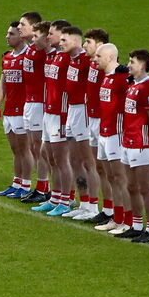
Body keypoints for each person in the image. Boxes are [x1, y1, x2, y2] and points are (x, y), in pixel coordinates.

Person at [34, 20, 75, 215]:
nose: (48, 37)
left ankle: (66, 201)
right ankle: (55, 197)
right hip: (49, 114)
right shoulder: (53, 57)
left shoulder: (68, 58)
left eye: (51, 33)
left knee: (61, 159)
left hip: (61, 115)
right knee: (48, 155)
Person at [120, 49, 149, 242]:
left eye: (132, 62)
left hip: (142, 143)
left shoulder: (148, 86)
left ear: (142, 65)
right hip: (128, 141)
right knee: (131, 186)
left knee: (144, 187)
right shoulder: (133, 84)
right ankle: (136, 225)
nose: (128, 65)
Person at [61, 27, 98, 219]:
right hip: (72, 111)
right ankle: (83, 203)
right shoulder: (71, 59)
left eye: (64, 40)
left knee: (87, 161)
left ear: (75, 41)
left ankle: (93, 206)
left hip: (83, 112)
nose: (61, 43)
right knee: (74, 160)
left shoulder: (87, 60)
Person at [93, 43, 131, 234]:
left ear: (109, 58)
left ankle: (128, 221)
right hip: (104, 133)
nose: (95, 59)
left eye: (98, 56)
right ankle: (117, 218)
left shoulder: (122, 77)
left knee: (119, 178)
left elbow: (148, 81)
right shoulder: (106, 77)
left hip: (116, 134)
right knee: (110, 177)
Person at [0, 22, 34, 198]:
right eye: (7, 33)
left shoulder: (28, 57)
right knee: (15, 149)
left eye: (11, 34)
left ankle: (25, 186)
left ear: (20, 35)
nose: (7, 37)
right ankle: (16, 183)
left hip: (23, 111)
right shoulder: (7, 57)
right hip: (9, 111)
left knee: (24, 150)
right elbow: (2, 82)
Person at [17, 12, 51, 205]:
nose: (20, 27)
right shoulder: (30, 49)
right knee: (33, 146)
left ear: (34, 27)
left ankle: (44, 187)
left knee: (39, 147)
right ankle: (41, 186)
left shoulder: (42, 50)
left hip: (39, 103)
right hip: (29, 102)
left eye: (23, 24)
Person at [82, 29, 113, 224]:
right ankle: (107, 208)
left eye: (89, 42)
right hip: (92, 119)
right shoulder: (93, 64)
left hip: (104, 122)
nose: (85, 45)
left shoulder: (109, 68)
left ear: (100, 44)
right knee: (99, 167)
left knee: (110, 170)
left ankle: (115, 212)